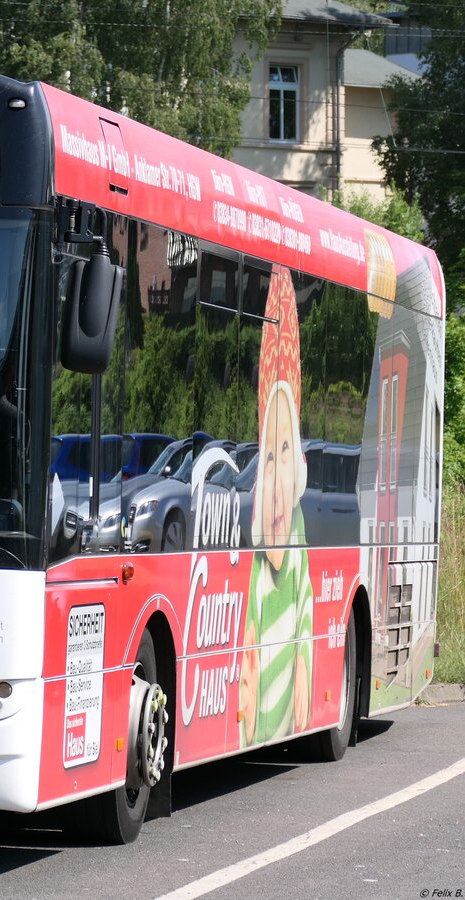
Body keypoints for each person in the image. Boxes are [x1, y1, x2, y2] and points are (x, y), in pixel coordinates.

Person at [240, 265, 314, 747]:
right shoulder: (254, 577)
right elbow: (246, 667)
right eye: (268, 454)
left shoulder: (301, 548)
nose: (278, 482)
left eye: (286, 452)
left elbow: (306, 650)